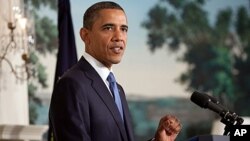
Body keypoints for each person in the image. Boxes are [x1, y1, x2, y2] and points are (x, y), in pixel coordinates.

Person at [49, 1, 181, 141]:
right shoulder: (71, 85)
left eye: (124, 29)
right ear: (85, 35)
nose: (119, 37)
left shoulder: (118, 90)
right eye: (108, 28)